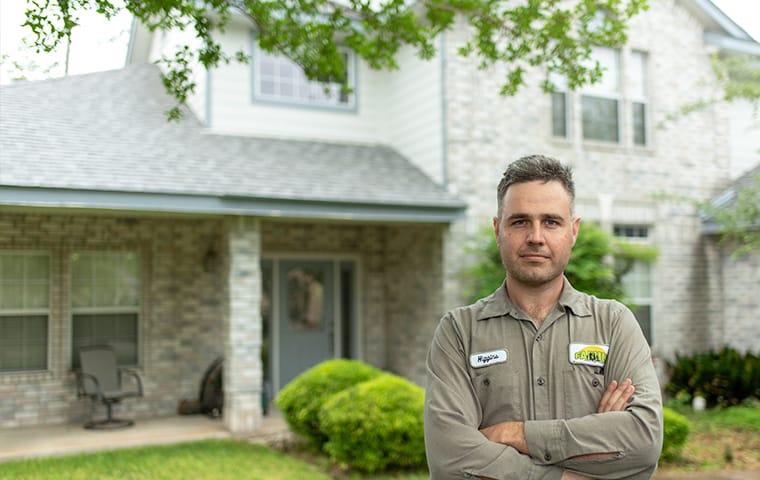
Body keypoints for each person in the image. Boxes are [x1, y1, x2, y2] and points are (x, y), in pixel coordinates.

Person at [424, 155, 663, 480]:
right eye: (520, 221)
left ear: (573, 230)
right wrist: (575, 464)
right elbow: (450, 459)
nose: (536, 236)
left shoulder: (613, 324)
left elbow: (643, 440)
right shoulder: (459, 332)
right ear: (498, 230)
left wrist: (514, 434)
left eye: (551, 221)